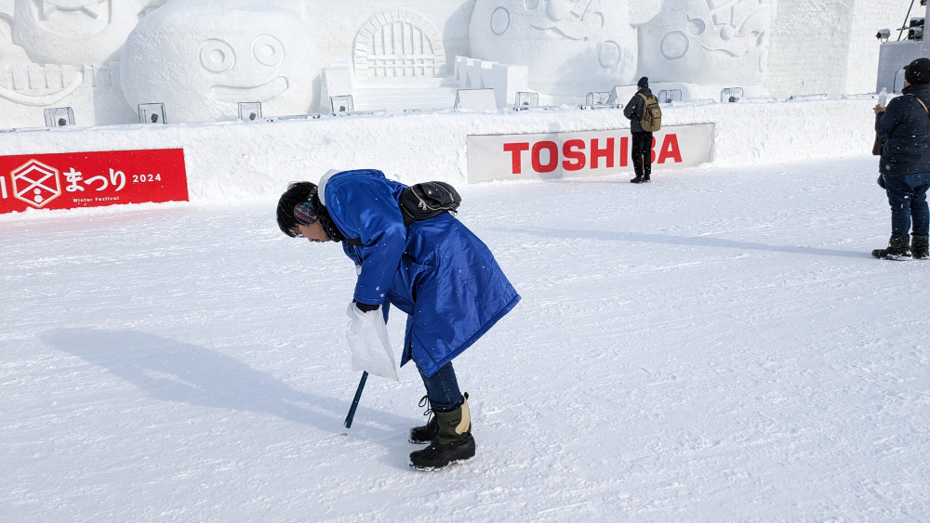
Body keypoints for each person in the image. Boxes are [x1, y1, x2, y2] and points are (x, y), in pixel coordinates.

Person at [276, 169, 521, 469]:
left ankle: (456, 436)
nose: (308, 240)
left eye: (300, 232)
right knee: (425, 345)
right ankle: (447, 420)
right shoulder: (344, 225)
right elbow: (380, 268)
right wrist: (372, 312)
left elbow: (390, 231)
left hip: (445, 260)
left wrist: (368, 300)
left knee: (428, 346)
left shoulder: (340, 194)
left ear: (303, 214)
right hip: (434, 262)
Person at [873, 57, 930, 260]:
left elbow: (883, 129)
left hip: (900, 166)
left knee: (901, 204)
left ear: (909, 79)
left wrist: (880, 113)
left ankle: (899, 247)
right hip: (926, 165)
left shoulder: (901, 103)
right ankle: (922, 247)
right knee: (920, 202)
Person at [623, 76, 655, 184]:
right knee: (647, 152)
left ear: (640, 87)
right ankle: (647, 175)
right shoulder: (653, 98)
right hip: (649, 130)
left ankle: (639, 175)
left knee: (636, 153)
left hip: (638, 130)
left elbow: (626, 111)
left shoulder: (637, 98)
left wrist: (634, 117)